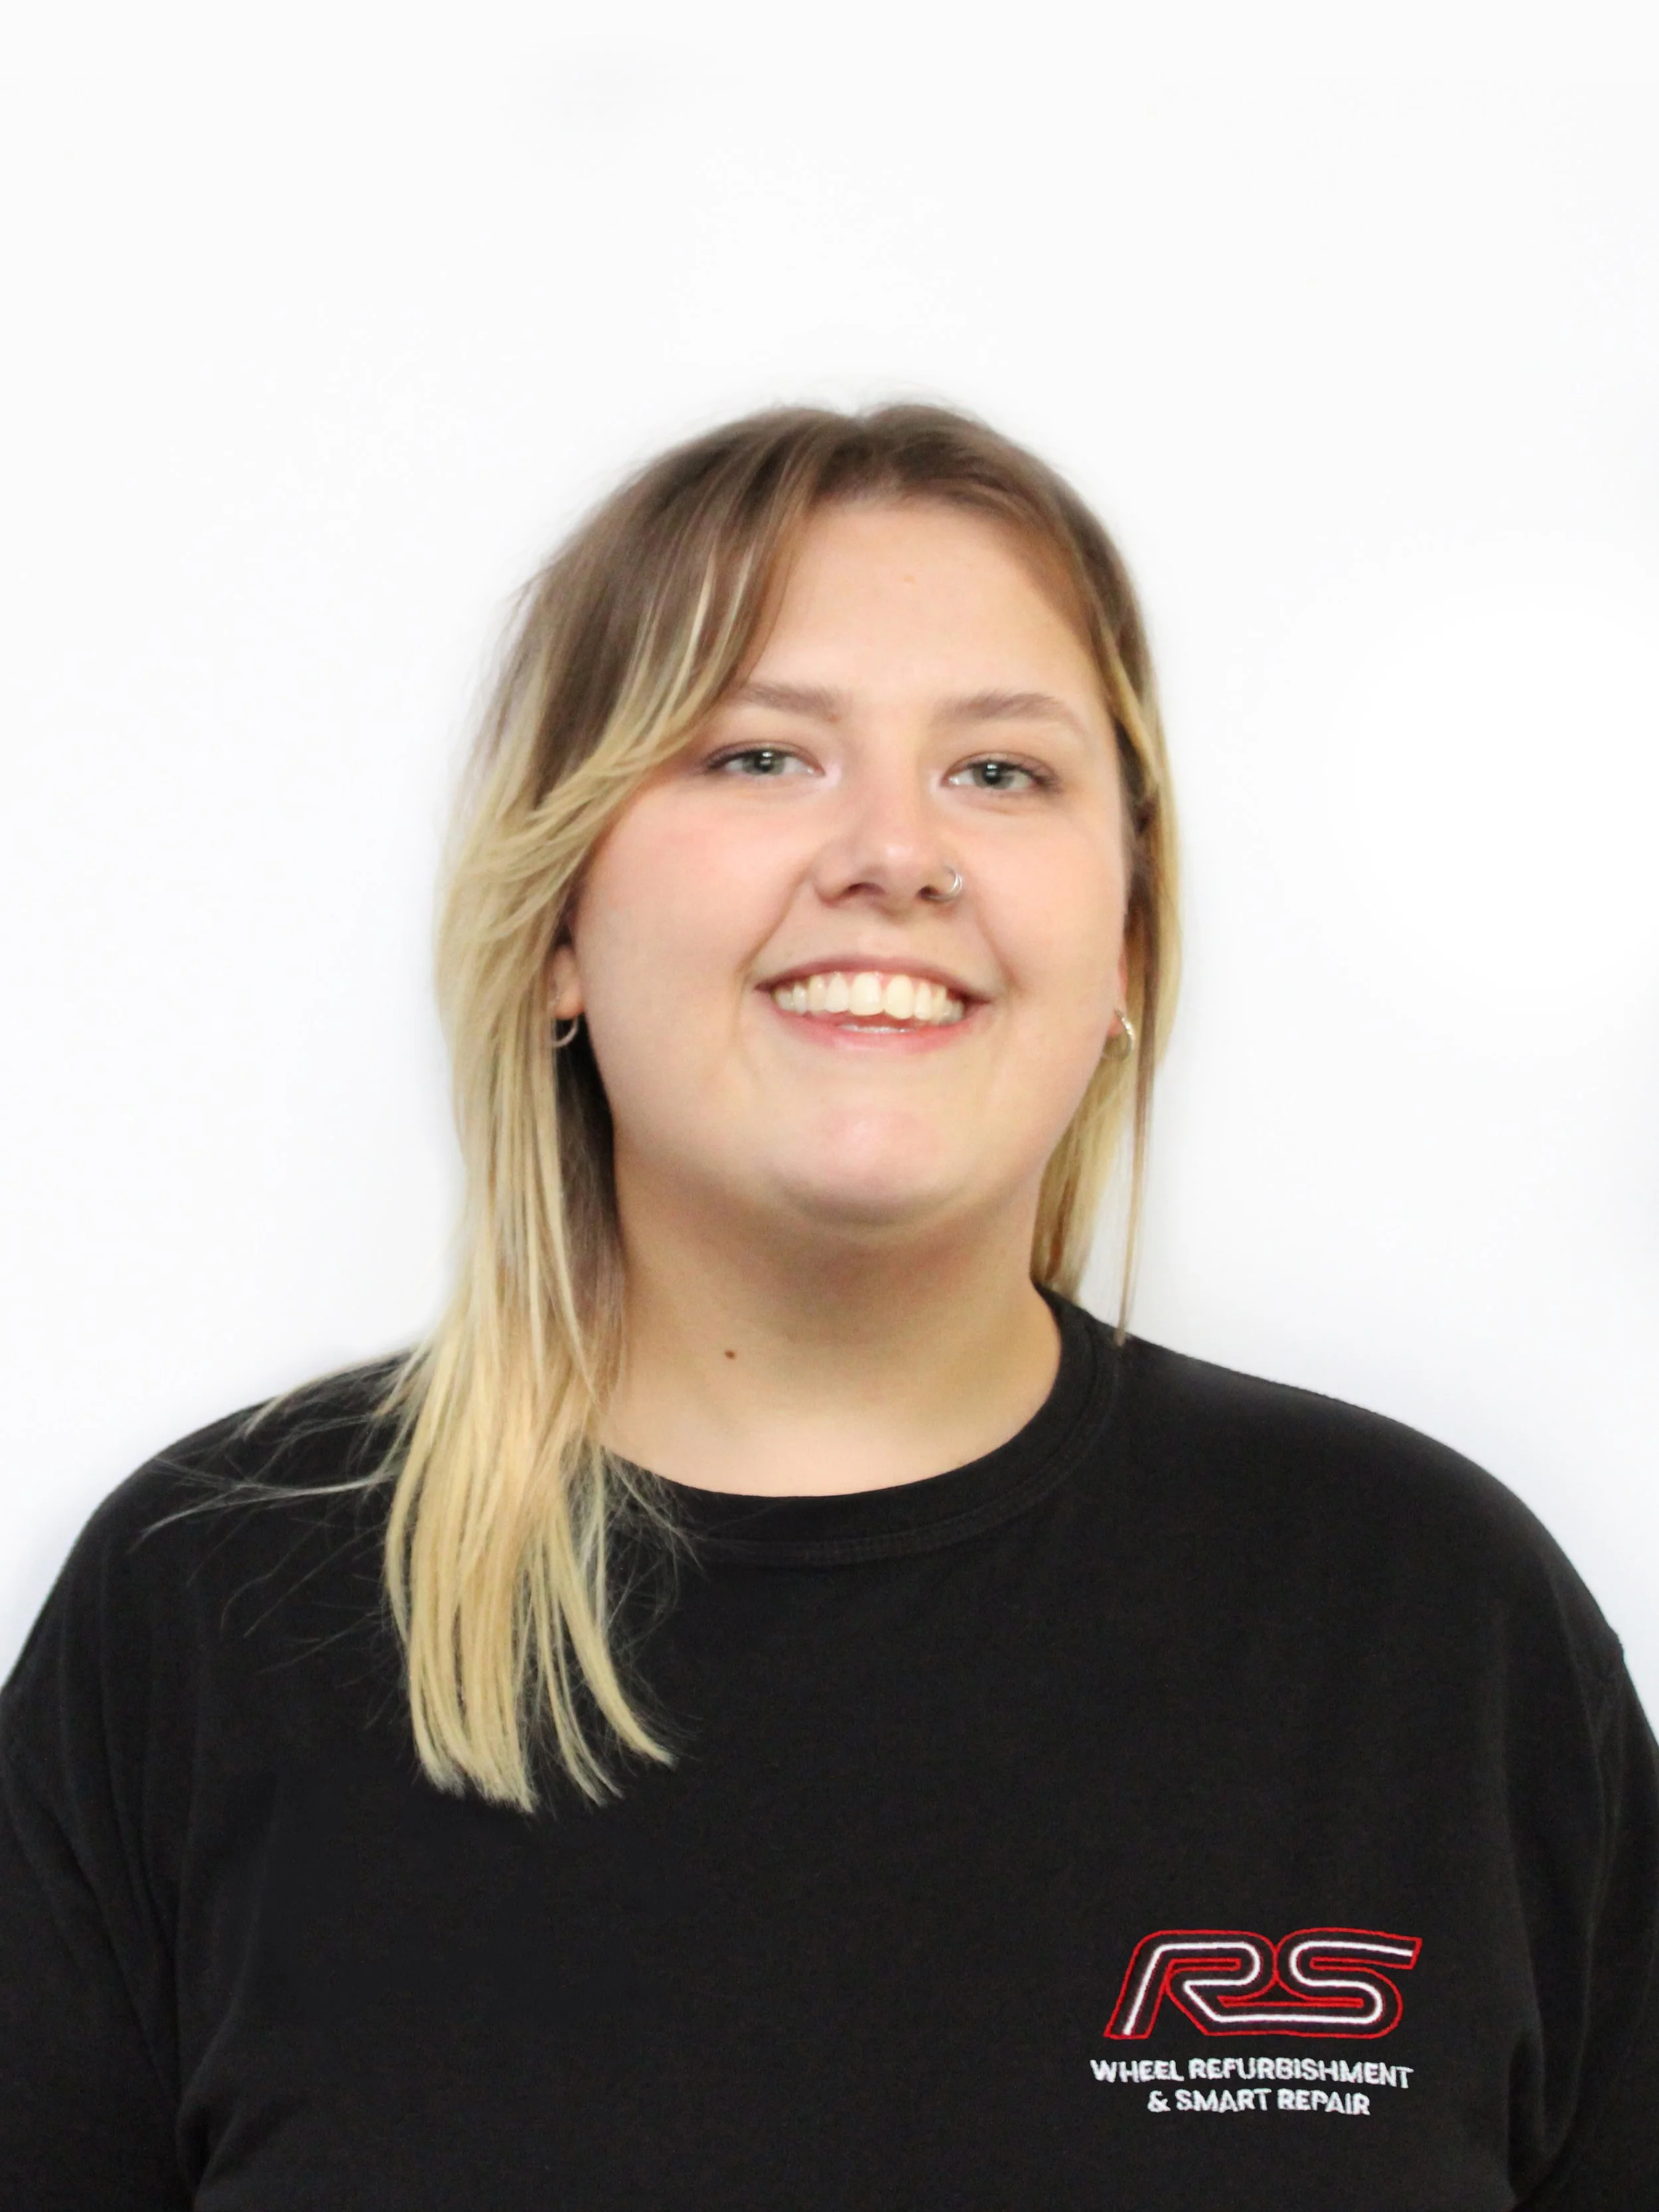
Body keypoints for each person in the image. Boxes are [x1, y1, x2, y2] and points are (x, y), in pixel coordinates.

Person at [1, 405, 1654, 2211]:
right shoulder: (211, 1614)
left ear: (1122, 944)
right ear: (555, 922)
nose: (893, 850)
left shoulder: (1428, 1626)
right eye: (759, 756)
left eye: (1002, 773)